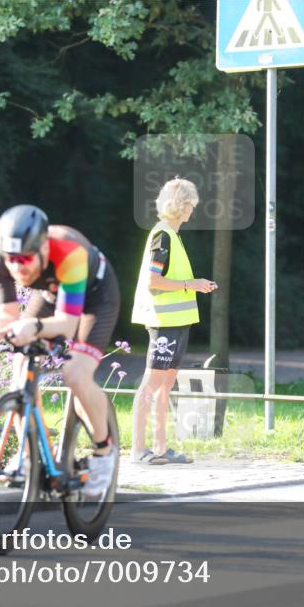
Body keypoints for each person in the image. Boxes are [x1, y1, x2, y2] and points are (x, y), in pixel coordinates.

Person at [0, 204, 120, 496]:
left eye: (26, 259)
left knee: (76, 374)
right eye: (12, 260)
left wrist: (33, 327)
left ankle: (104, 451)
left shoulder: (70, 254)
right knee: (20, 371)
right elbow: (7, 312)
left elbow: (67, 325)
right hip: (53, 292)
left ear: (43, 248)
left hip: (97, 297)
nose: (18, 267)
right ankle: (32, 455)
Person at [130, 178, 217, 465]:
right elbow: (154, 281)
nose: (193, 209)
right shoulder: (163, 236)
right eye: (191, 204)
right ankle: (138, 450)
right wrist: (192, 284)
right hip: (164, 322)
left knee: (165, 386)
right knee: (151, 384)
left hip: (177, 322)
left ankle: (160, 448)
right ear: (181, 204)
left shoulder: (172, 236)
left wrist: (196, 285)